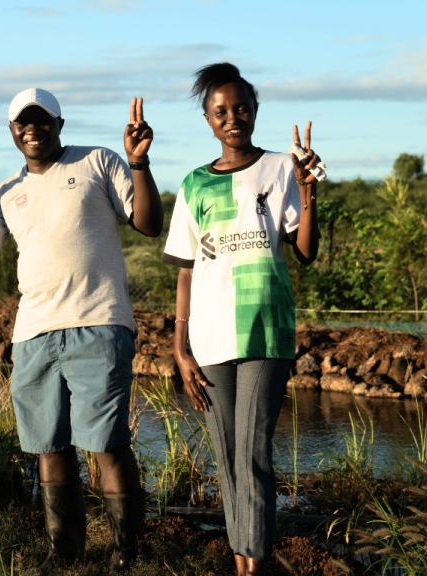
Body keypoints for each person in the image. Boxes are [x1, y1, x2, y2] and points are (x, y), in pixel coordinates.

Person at [0, 88, 163, 572]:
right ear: (12, 131)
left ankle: (128, 552)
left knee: (105, 443)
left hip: (98, 323)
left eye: (43, 121)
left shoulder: (99, 162)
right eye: (23, 122)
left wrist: (138, 163)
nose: (32, 129)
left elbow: (148, 223)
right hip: (34, 333)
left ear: (60, 124)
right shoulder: (6, 191)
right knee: (48, 445)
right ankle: (66, 551)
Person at [162, 63, 321, 575]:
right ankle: (243, 561)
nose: (233, 118)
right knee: (228, 459)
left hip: (265, 330)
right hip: (208, 340)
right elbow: (186, 273)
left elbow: (307, 251)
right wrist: (180, 349)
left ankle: (254, 565)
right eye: (220, 111)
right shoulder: (193, 185)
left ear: (254, 111)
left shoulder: (281, 168)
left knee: (252, 454)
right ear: (208, 120)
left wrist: (308, 189)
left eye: (241, 108)